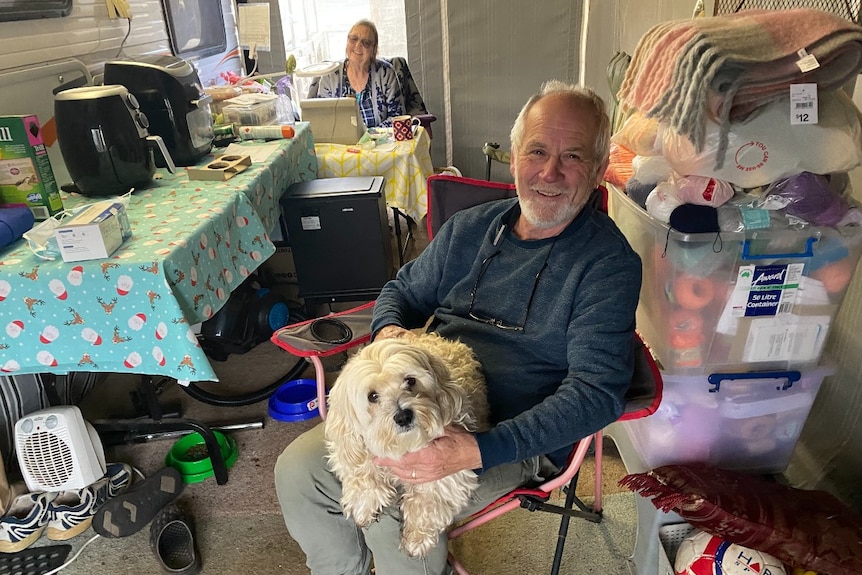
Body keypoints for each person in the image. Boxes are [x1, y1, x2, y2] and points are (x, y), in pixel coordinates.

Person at [275, 79, 642, 575]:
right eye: (537, 150)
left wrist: (477, 448)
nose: (550, 172)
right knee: (298, 472)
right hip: (423, 392)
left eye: (573, 156)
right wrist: (388, 340)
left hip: (513, 434)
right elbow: (401, 293)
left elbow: (598, 394)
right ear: (514, 157)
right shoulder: (472, 228)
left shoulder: (607, 264)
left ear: (599, 170)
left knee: (394, 514)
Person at [308, 19, 405, 128]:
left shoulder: (386, 73)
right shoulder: (330, 75)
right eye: (353, 39)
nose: (358, 45)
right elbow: (323, 119)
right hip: (341, 143)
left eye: (366, 42)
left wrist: (369, 136)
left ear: (374, 49)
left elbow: (398, 117)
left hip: (381, 142)